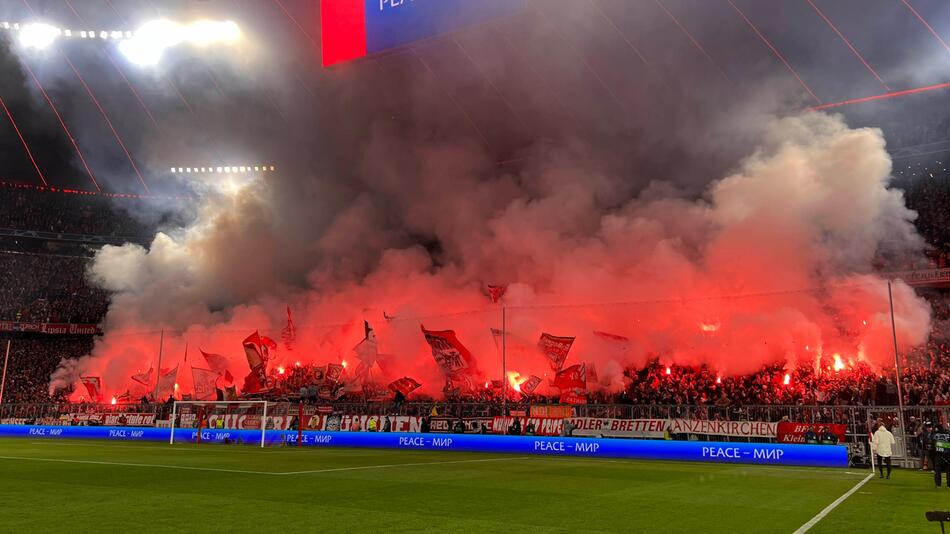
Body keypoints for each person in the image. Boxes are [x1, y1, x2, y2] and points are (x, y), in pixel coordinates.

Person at [932, 422, 950, 488]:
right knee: (949, 470)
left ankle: (938, 485)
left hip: (938, 454)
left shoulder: (935, 435)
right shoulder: (948, 433)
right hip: (948, 454)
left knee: (937, 469)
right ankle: (949, 485)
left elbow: (932, 445)